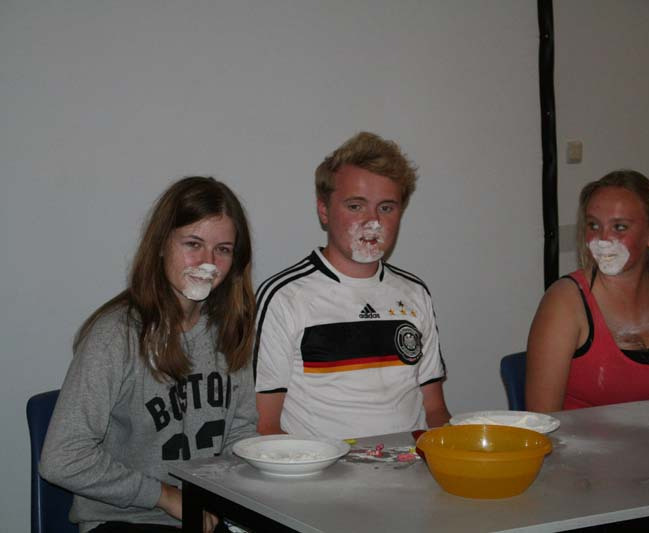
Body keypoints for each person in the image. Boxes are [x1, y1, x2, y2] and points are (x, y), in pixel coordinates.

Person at [40, 177, 258, 533]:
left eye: (223, 249)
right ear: (160, 245)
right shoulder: (116, 335)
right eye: (193, 244)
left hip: (201, 516)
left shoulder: (231, 330)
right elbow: (61, 458)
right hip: (124, 520)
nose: (208, 262)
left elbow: (239, 432)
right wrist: (165, 496)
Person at [254, 131, 450, 439]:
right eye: (356, 206)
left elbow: (435, 410)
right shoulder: (284, 296)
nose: (373, 222)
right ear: (324, 211)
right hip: (323, 467)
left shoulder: (415, 293)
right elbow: (265, 426)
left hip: (410, 464)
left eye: (386, 208)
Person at [525, 169, 649, 412]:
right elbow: (541, 421)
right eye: (593, 225)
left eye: (619, 227)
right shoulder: (565, 302)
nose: (603, 239)